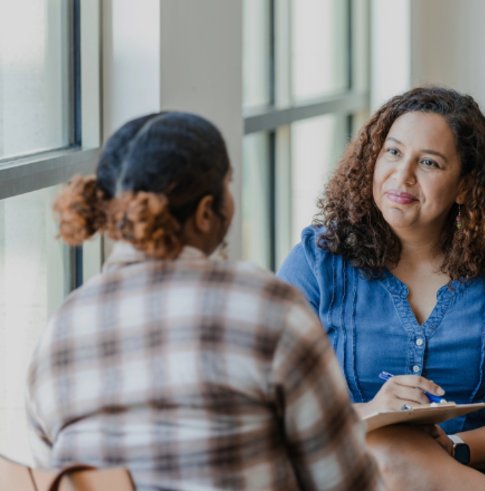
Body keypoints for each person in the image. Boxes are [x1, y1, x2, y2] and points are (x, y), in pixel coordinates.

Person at [26, 112, 382, 491]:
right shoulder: (267, 308)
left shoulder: (61, 329)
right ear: (204, 213)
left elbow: (51, 473)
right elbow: (344, 481)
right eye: (229, 185)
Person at [278, 87, 485, 491]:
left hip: (468, 474)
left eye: (429, 163)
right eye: (393, 153)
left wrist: (454, 447)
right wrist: (368, 413)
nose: (402, 176)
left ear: (466, 185)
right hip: (346, 473)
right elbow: (271, 403)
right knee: (384, 451)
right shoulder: (317, 263)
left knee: (393, 458)